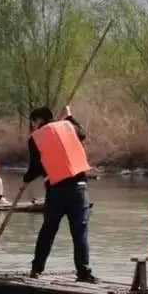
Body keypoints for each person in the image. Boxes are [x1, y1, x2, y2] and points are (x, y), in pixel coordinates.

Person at [24, 105, 96, 283]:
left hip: (57, 191)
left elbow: (36, 167)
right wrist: (70, 117)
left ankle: (36, 269)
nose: (33, 126)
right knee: (80, 234)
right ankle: (84, 273)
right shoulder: (68, 126)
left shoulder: (35, 138)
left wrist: (26, 179)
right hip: (79, 189)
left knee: (48, 231)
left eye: (33, 122)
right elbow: (83, 134)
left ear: (38, 120)